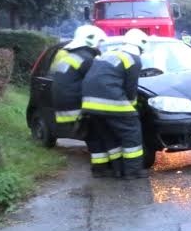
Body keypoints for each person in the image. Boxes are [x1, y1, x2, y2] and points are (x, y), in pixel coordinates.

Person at [81, 28, 148, 179]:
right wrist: (133, 107)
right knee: (132, 130)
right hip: (109, 100)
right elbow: (131, 89)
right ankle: (133, 171)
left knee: (109, 134)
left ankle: (118, 169)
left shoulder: (109, 53)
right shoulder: (134, 59)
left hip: (89, 103)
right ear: (141, 45)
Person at [52, 25, 107, 176]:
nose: (100, 46)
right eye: (99, 42)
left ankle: (101, 166)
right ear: (91, 40)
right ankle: (100, 169)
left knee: (92, 134)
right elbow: (99, 82)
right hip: (76, 105)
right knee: (97, 133)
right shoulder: (87, 59)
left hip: (64, 105)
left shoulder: (69, 56)